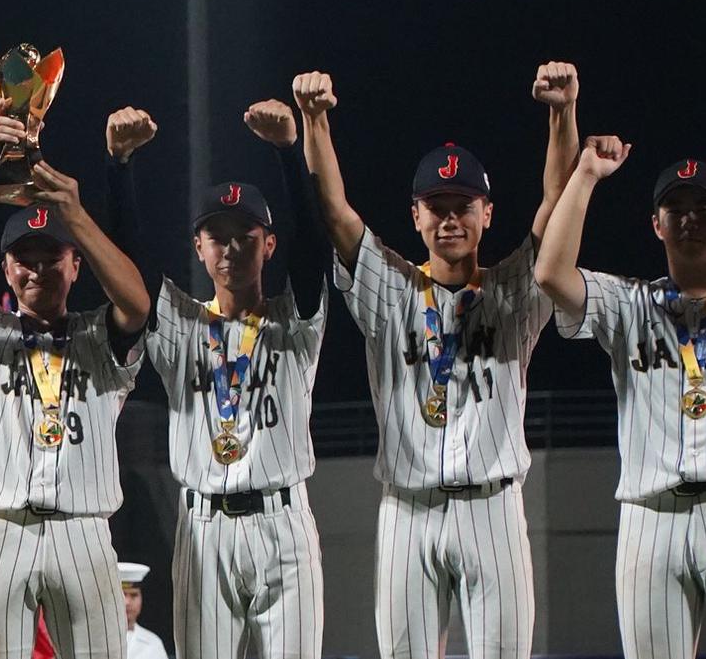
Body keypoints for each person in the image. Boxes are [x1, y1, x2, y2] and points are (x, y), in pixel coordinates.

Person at [295, 62, 580, 658]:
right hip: (408, 507)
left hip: (492, 507)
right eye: (436, 204)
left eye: (463, 204)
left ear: (487, 213)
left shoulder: (514, 292)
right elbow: (335, 211)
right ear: (416, 215)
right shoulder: (390, 291)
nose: (450, 217)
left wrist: (562, 112)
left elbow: (557, 203)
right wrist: (314, 120)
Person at [125, 98, 331, 659]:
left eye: (246, 234)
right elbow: (132, 265)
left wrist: (288, 152)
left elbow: (314, 250)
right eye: (217, 236)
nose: (232, 247)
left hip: (283, 521)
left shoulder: (296, 322)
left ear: (269, 244)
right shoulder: (180, 325)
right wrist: (120, 166)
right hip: (202, 526)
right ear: (198, 247)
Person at [0, 99, 150, 659]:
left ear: (76, 263)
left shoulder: (100, 336)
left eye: (52, 256)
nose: (37, 268)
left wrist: (76, 216)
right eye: (24, 258)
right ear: (6, 269)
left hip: (83, 528)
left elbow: (137, 302)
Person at [531, 137, 706, 659]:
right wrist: (585, 175)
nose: (690, 218)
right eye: (676, 208)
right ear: (657, 225)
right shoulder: (632, 304)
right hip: (650, 514)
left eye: (702, 206)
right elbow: (550, 273)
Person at [118, 563, 168, 659]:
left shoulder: (153, 644)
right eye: (122, 595)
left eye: (134, 595)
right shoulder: (96, 640)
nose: (127, 602)